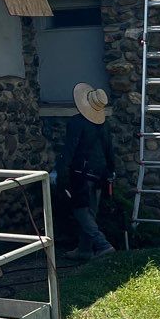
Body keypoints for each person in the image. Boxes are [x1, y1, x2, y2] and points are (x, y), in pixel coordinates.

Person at [53, 83, 116, 260]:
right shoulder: (104, 125)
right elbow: (109, 150)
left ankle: (102, 244)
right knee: (91, 212)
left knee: (81, 211)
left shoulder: (76, 123)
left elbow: (69, 150)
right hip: (100, 173)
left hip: (81, 173)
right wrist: (111, 171)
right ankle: (84, 249)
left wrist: (62, 173)